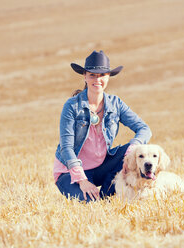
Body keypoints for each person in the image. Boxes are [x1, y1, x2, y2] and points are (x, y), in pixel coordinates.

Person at [54, 50, 152, 202]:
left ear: (108, 77)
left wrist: (130, 153)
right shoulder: (72, 106)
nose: (97, 79)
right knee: (91, 204)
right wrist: (82, 180)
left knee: (131, 151)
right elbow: (66, 148)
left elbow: (144, 129)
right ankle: (96, 197)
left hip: (100, 167)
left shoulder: (115, 103)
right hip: (69, 173)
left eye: (102, 75)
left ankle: (108, 194)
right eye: (92, 75)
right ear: (85, 76)